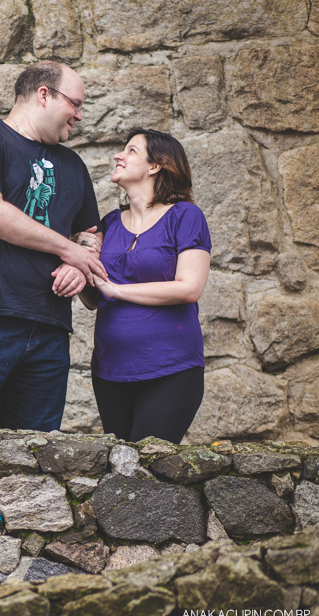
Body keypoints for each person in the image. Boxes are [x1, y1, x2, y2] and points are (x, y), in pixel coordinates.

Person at [0, 60, 107, 432]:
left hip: (49, 327)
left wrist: (80, 262)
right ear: (44, 94)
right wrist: (68, 250)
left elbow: (89, 233)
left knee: (36, 460)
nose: (79, 115)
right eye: (75, 103)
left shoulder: (73, 164)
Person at [77, 128, 211, 444]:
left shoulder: (185, 216)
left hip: (170, 368)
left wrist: (118, 290)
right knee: (122, 465)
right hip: (110, 370)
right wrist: (81, 263)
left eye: (132, 150)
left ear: (155, 166)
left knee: (147, 472)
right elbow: (94, 298)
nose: (118, 156)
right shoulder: (109, 222)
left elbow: (189, 288)